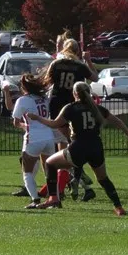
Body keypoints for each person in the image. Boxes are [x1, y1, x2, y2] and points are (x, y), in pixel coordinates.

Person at [28, 81, 128, 216]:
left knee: (50, 163)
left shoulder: (71, 108)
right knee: (103, 178)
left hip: (79, 147)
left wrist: (37, 118)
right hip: (96, 146)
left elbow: (54, 124)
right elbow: (117, 121)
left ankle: (53, 198)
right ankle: (118, 207)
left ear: (74, 93)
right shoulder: (97, 107)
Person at [42, 38, 98, 201]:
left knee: (65, 148)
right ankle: (77, 181)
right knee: (69, 145)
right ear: (77, 51)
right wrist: (88, 61)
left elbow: (47, 81)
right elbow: (94, 78)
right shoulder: (80, 66)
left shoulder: (56, 64)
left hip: (56, 105)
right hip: (72, 106)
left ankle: (72, 183)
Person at [8, 74, 55, 208]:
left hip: (33, 138)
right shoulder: (44, 98)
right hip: (49, 137)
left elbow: (16, 122)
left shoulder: (23, 100)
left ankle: (35, 200)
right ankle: (54, 198)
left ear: (23, 87)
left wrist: (25, 126)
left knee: (27, 172)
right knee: (49, 171)